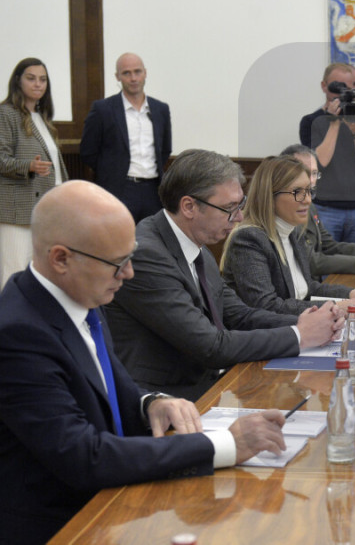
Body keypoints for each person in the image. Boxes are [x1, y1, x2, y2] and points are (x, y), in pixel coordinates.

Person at [0, 180, 288, 544]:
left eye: (130, 258)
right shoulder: (18, 333)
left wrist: (151, 403)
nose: (129, 274)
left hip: (114, 503)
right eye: (117, 263)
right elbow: (84, 456)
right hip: (64, 526)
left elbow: (109, 389)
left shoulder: (80, 293)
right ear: (61, 259)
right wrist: (225, 444)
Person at [104, 149, 343, 401]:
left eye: (240, 204)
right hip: (167, 399)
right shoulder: (147, 256)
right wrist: (300, 335)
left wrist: (307, 322)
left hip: (208, 385)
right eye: (229, 208)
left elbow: (239, 315)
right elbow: (210, 346)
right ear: (189, 207)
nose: (239, 217)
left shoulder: (197, 246)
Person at [221, 155, 355, 315]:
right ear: (270, 196)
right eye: (298, 192)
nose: (307, 200)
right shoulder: (249, 239)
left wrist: (349, 293)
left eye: (308, 191)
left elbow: (306, 288)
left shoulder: (293, 232)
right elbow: (266, 306)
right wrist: (334, 307)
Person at [280, 144, 355, 276]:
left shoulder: (310, 207)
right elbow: (310, 261)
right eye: (304, 172)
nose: (311, 180)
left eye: (314, 173)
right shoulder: (282, 209)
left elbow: (329, 246)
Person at [80, 53, 172, 223]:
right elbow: (88, 151)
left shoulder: (161, 109)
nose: (133, 78)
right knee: (118, 237)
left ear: (145, 73)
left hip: (154, 190)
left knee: (151, 237)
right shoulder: (103, 109)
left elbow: (165, 149)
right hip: (119, 189)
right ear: (118, 77)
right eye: (126, 73)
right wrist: (111, 172)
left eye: (137, 72)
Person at [0, 57, 67, 288]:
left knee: (38, 275)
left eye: (43, 79)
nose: (38, 84)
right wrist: (28, 166)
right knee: (13, 272)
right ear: (18, 81)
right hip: (17, 211)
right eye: (31, 78)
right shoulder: (6, 113)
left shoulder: (42, 117)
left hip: (46, 208)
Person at [306, 63, 355, 243]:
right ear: (324, 86)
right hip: (326, 208)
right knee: (324, 258)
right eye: (338, 86)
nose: (343, 92)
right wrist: (334, 122)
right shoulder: (311, 121)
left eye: (349, 86)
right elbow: (320, 162)